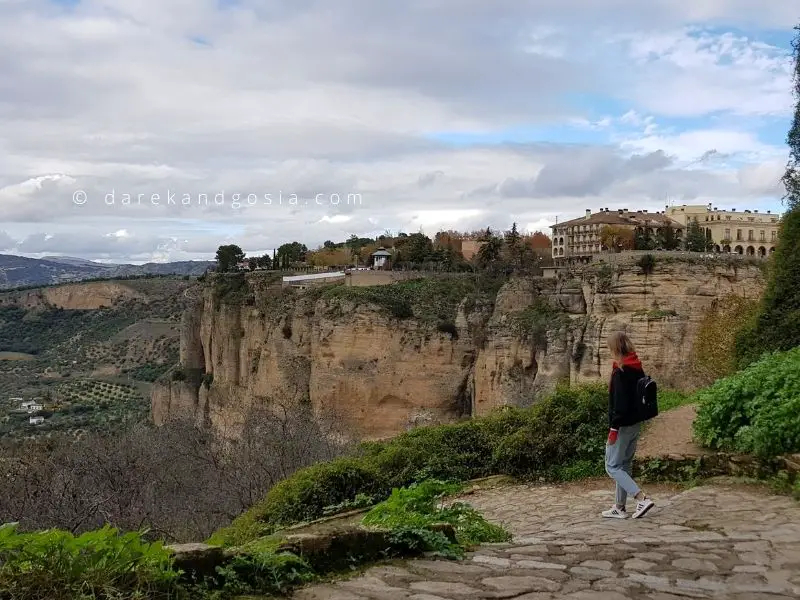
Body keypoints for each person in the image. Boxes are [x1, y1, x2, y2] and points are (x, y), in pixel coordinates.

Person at [602, 331, 655, 519]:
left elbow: (620, 404)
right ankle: (619, 507)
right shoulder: (637, 367)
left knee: (612, 466)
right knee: (624, 465)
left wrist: (613, 428)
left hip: (622, 426)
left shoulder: (620, 372)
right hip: (635, 424)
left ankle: (641, 498)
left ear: (615, 348)